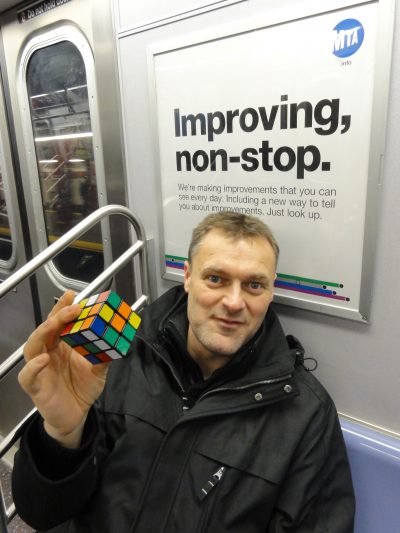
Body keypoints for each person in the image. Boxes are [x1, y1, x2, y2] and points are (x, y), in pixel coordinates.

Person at [12, 211, 355, 532]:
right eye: (215, 278)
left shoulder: (305, 412)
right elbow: (43, 514)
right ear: (188, 277)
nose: (234, 303)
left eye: (254, 285)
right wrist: (61, 435)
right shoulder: (115, 359)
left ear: (271, 291)